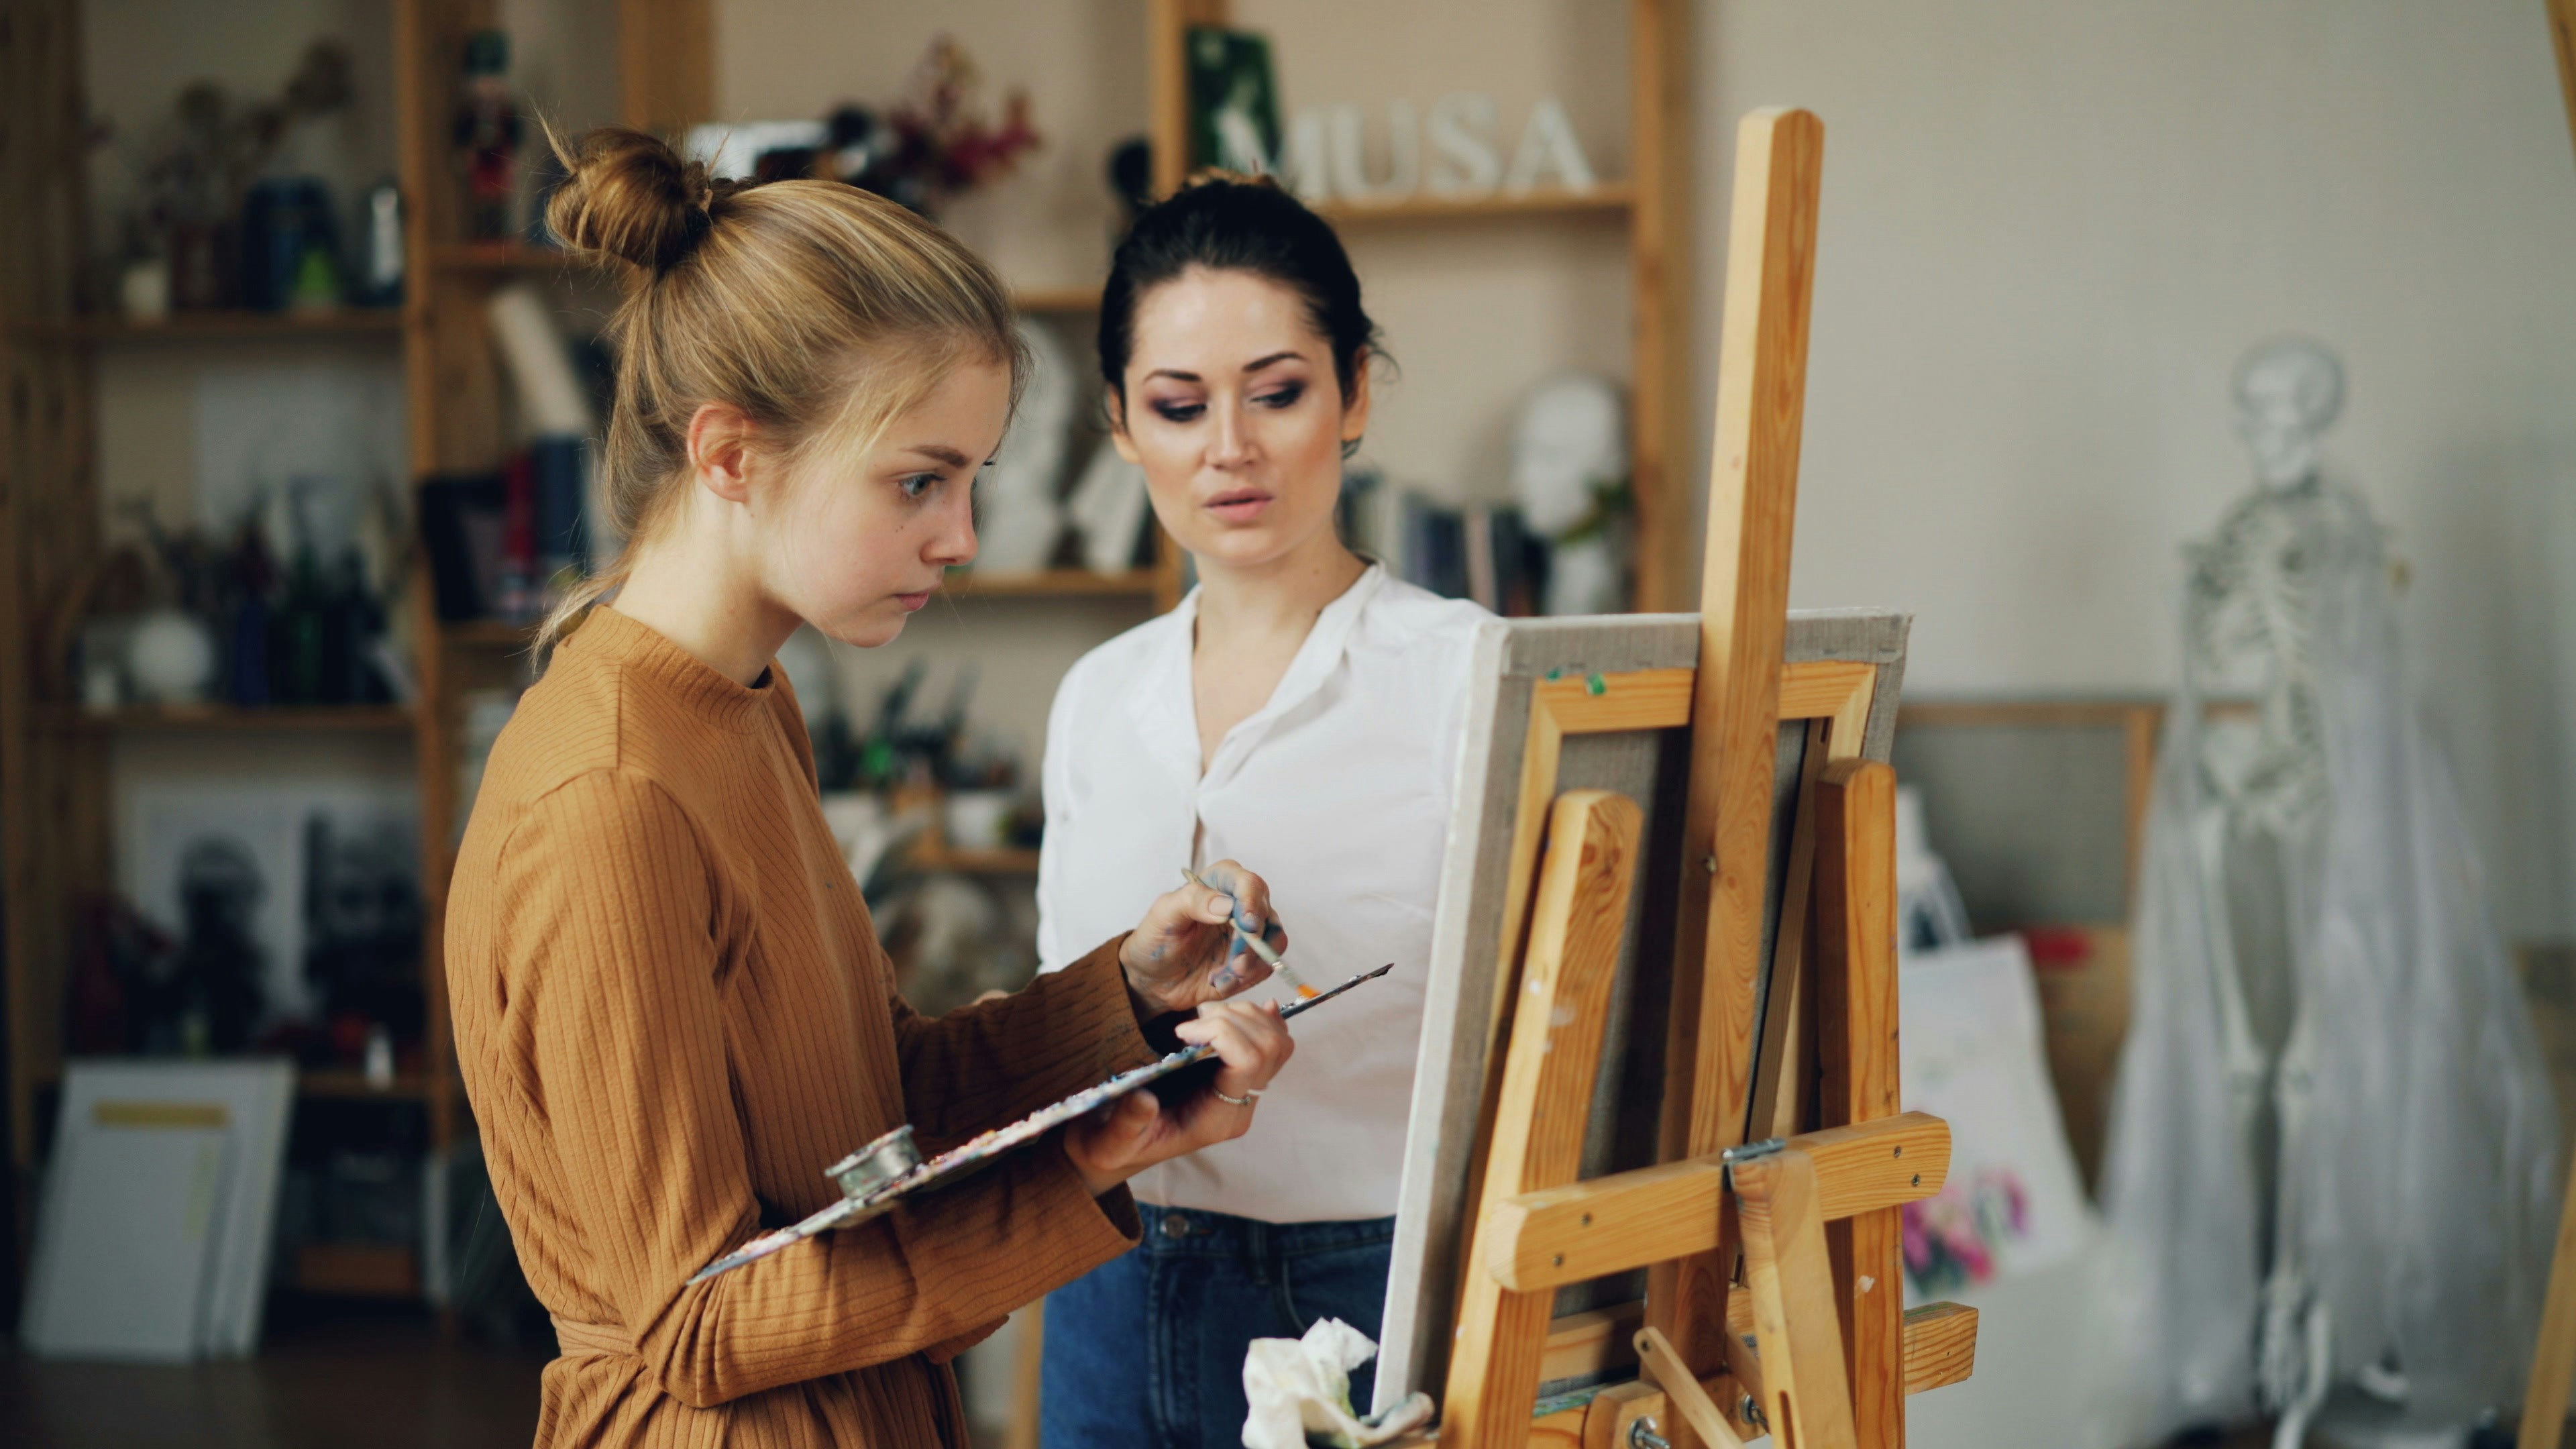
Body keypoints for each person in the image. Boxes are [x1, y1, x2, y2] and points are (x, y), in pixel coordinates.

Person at [444, 129, 1301, 1449]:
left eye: (970, 481)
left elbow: (872, 1105)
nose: (960, 539)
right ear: (730, 456)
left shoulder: (744, 703)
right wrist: (1069, 1174)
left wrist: (1127, 1002)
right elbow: (699, 1323)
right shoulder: (610, 797)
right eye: (918, 482)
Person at [1034, 175, 1491, 1447]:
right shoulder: (1095, 696)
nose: (1227, 448)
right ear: (1123, 424)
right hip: (1105, 1282)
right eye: (1179, 407)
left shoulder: (1468, 675)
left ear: (1356, 394)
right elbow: (1056, 1026)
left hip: (1369, 1293)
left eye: (1277, 393)